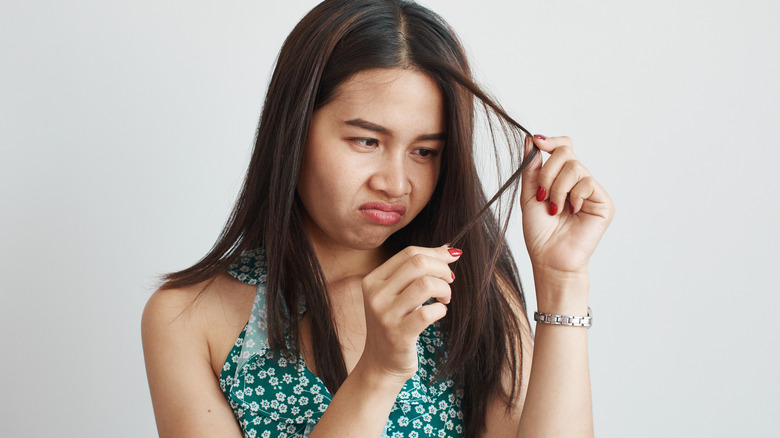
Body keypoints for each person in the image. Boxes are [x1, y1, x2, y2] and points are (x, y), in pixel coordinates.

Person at [141, 0, 614, 437]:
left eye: (425, 151)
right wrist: (378, 372)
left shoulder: (469, 292)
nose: (396, 183)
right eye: (366, 141)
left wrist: (562, 279)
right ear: (294, 129)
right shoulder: (188, 317)